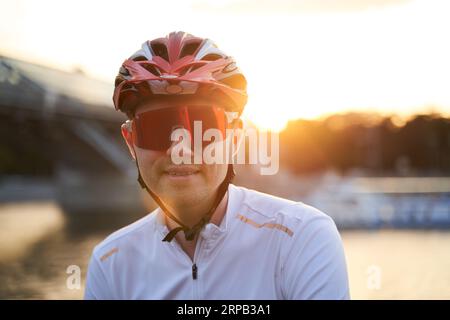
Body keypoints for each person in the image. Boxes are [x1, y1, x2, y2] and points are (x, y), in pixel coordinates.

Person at [84, 31, 350, 300]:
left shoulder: (301, 237)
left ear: (234, 138)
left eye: (201, 126)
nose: (180, 149)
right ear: (131, 142)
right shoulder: (110, 264)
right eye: (156, 128)